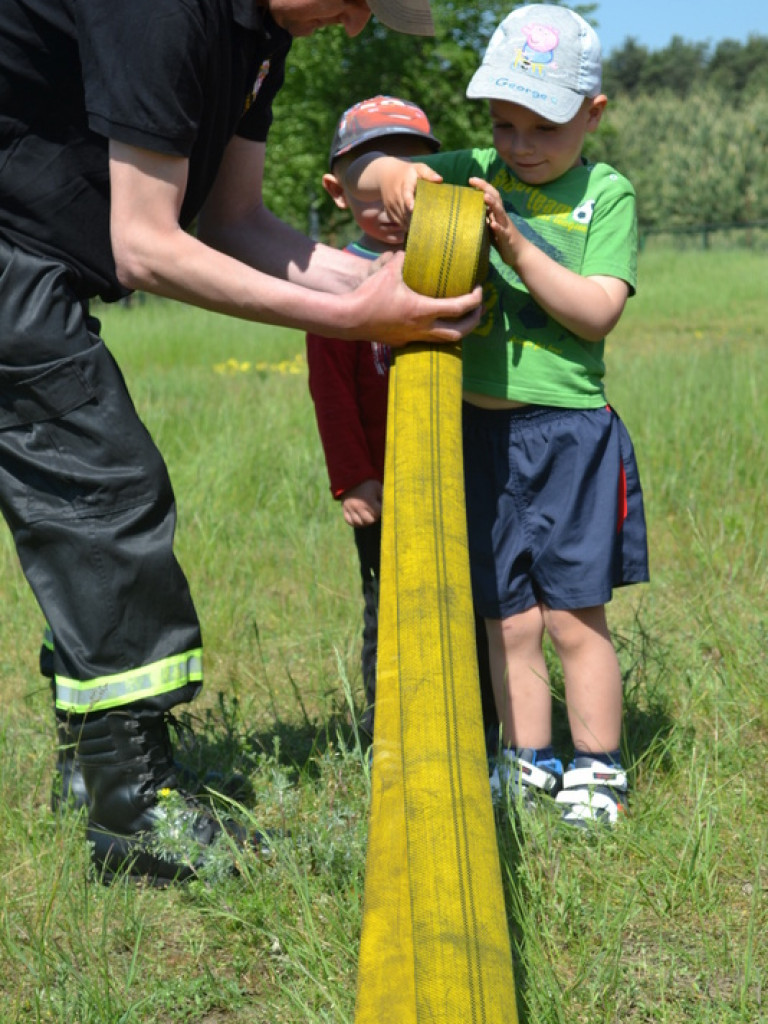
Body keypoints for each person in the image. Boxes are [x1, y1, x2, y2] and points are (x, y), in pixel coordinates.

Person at [0, 0, 484, 885]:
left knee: (86, 498)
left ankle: (93, 772)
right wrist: (355, 316)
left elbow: (234, 222)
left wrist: (385, 286)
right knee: (105, 488)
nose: (354, 26)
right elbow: (146, 247)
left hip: (35, 256)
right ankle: (134, 816)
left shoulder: (260, 30)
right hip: (11, 255)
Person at [344, 4, 650, 827]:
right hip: (474, 434)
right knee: (506, 618)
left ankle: (598, 768)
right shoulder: (476, 169)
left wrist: (516, 247)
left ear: (593, 114)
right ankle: (527, 760)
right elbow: (367, 178)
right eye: (503, 123)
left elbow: (596, 312)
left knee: (573, 617)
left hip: (568, 436)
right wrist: (397, 176)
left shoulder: (604, 194)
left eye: (543, 127)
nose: (519, 145)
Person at [306, 95, 441, 740]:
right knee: (386, 599)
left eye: (406, 182)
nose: (391, 208)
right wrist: (354, 479)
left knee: (467, 596)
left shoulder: (449, 264)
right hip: (382, 486)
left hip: (452, 472)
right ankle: (388, 721)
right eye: (370, 190)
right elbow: (330, 392)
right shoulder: (335, 283)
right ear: (338, 192)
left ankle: (474, 713)